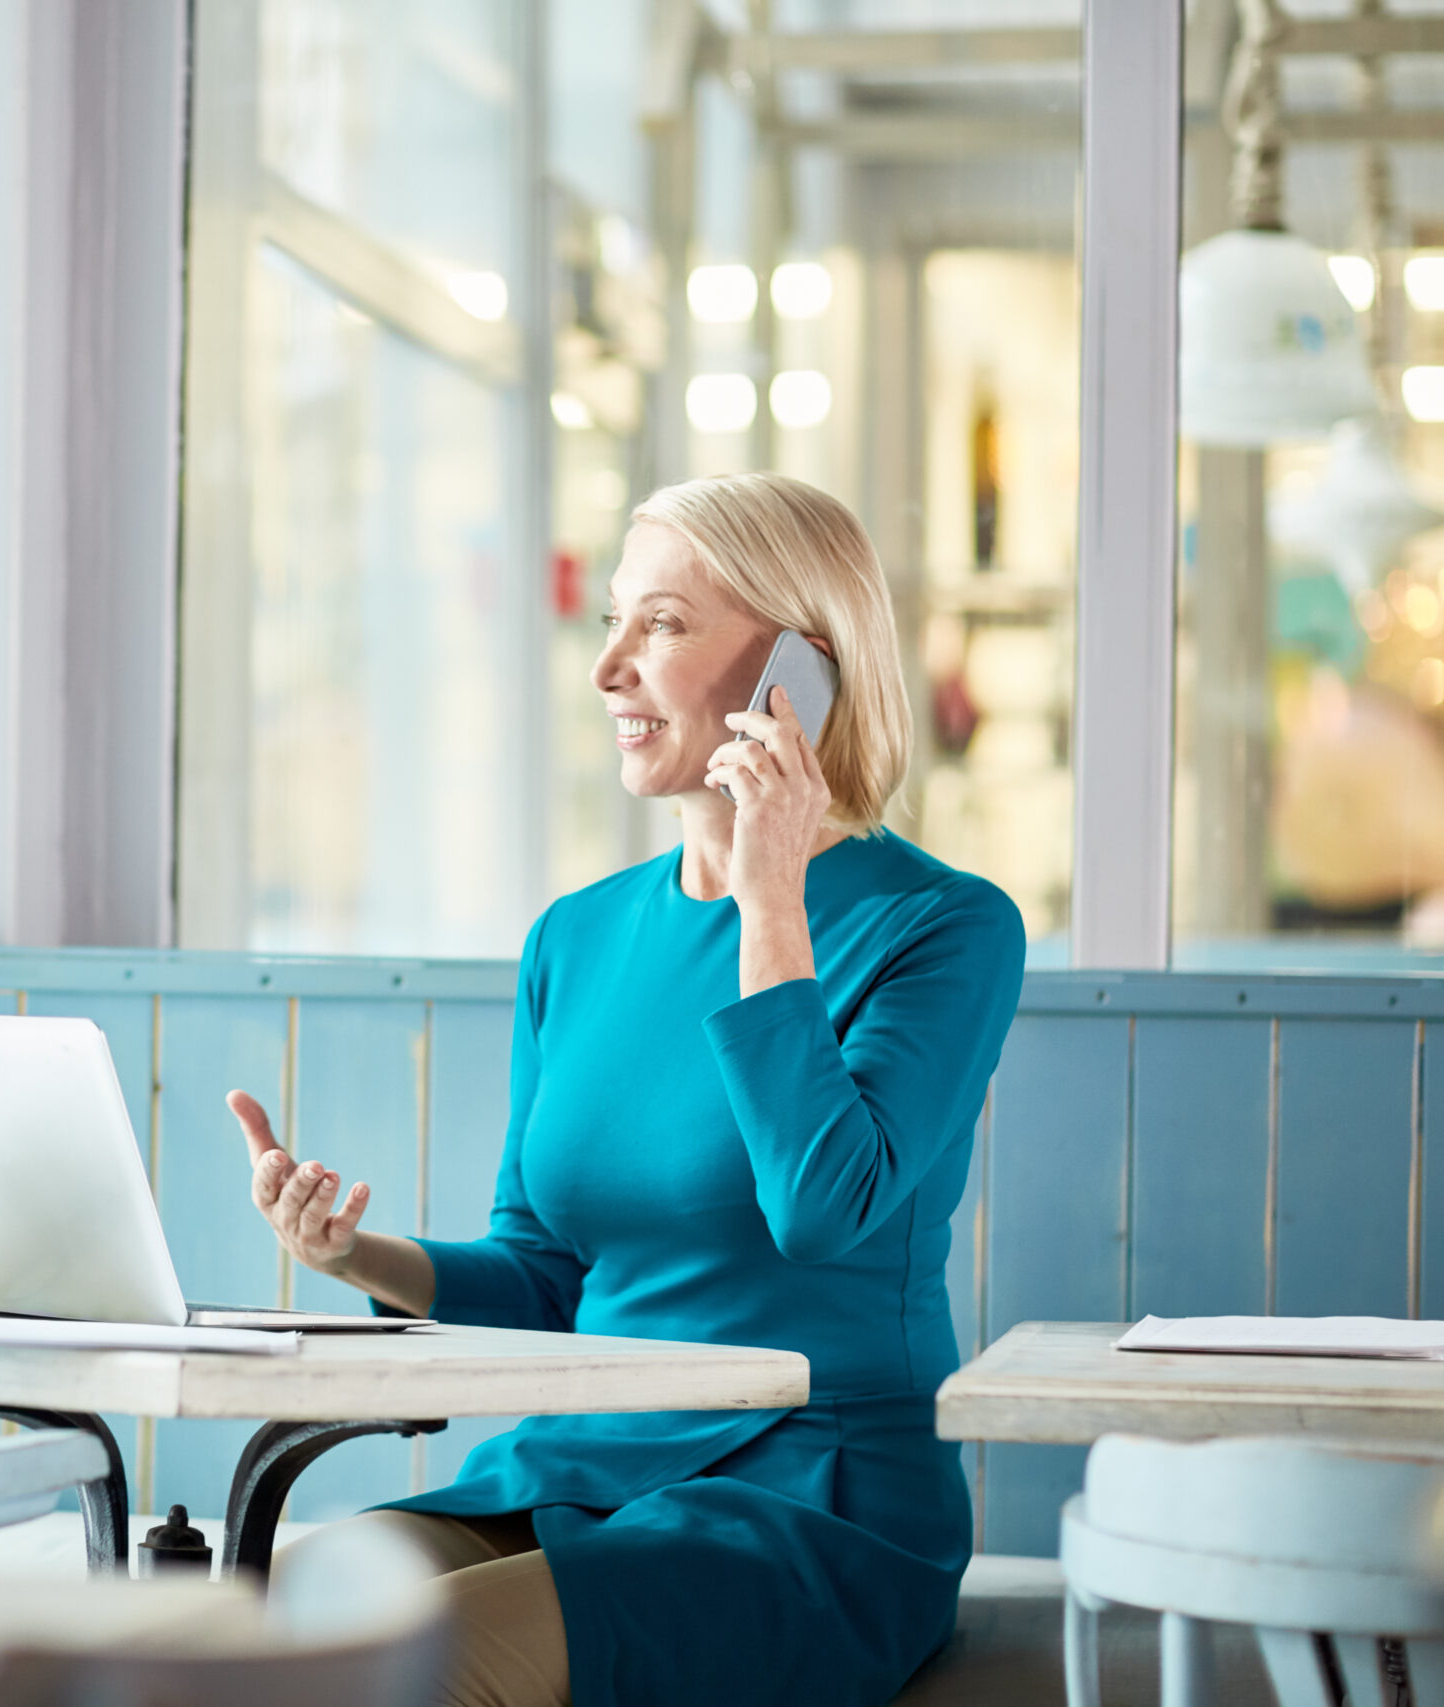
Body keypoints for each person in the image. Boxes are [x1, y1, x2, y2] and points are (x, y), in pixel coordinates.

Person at [229, 472, 1025, 1707]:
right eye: (610, 621)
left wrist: (772, 899)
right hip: (576, 1467)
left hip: (810, 1493)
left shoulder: (942, 928)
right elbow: (545, 1275)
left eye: (657, 624)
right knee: (260, 1622)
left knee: (405, 1670)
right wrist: (354, 1255)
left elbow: (822, 1211)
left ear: (794, 673)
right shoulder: (577, 938)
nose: (607, 668)